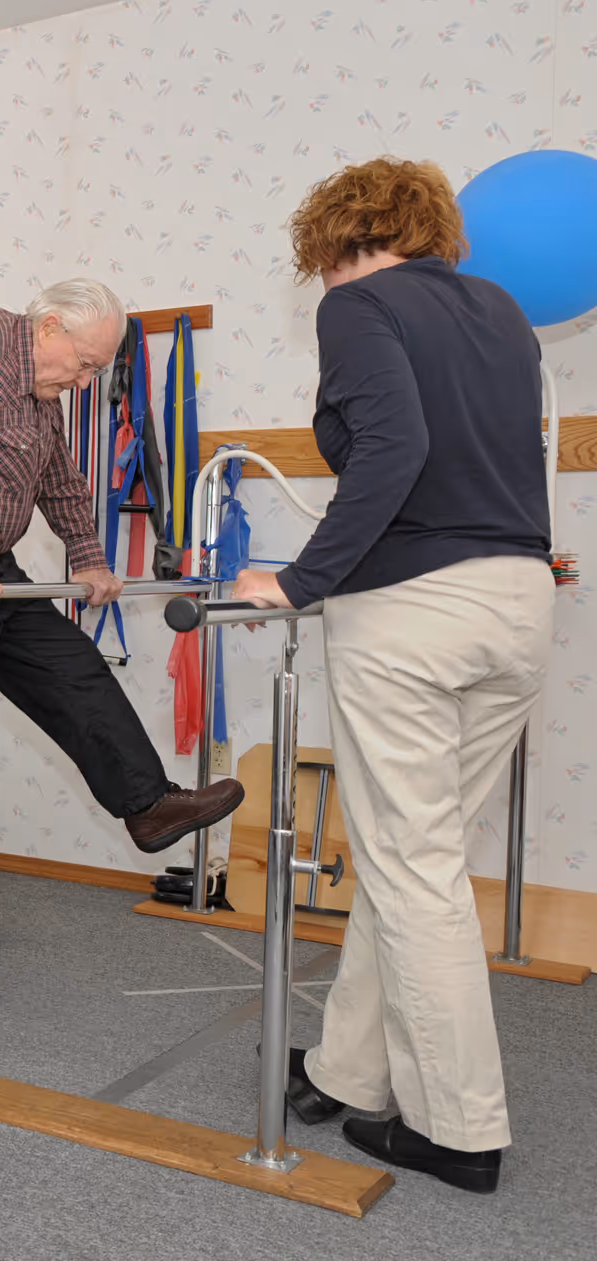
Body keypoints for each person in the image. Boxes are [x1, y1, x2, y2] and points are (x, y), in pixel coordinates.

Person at [234, 158, 553, 1194]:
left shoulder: (360, 305)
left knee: (413, 868)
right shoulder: (501, 311)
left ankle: (459, 1129)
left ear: (337, 239)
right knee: (410, 855)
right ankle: (346, 1068)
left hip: (413, 613)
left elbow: (395, 446)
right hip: (515, 604)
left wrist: (303, 579)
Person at [0, 279, 246, 1004]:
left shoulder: (42, 394)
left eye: (98, 369)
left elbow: (63, 483)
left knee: (72, 667)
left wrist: (89, 558)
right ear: (48, 326)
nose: (88, 380)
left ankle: (148, 803)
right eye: (85, 364)